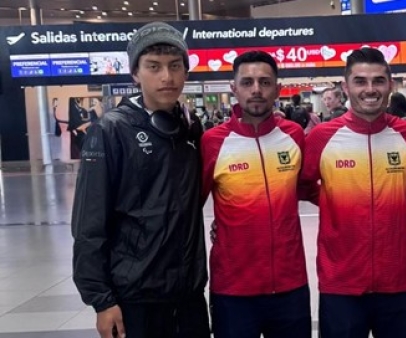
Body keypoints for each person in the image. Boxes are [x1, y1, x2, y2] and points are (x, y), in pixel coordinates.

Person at [71, 21, 210, 338]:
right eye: (154, 67)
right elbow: (89, 223)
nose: (167, 77)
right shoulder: (111, 131)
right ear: (135, 73)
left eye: (176, 66)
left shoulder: (191, 128)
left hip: (188, 296)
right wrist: (102, 301)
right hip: (135, 299)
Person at [300, 47, 406, 337]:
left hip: (399, 282)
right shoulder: (323, 137)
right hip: (341, 284)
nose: (370, 89)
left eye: (378, 81)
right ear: (346, 86)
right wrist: (336, 202)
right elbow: (303, 184)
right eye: (360, 81)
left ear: (390, 85)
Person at [200, 50, 314, 338]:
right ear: (234, 87)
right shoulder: (213, 142)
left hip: (290, 284)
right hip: (233, 289)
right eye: (247, 82)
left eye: (264, 82)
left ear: (277, 89)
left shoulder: (294, 136)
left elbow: (308, 188)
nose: (256, 90)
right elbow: (190, 206)